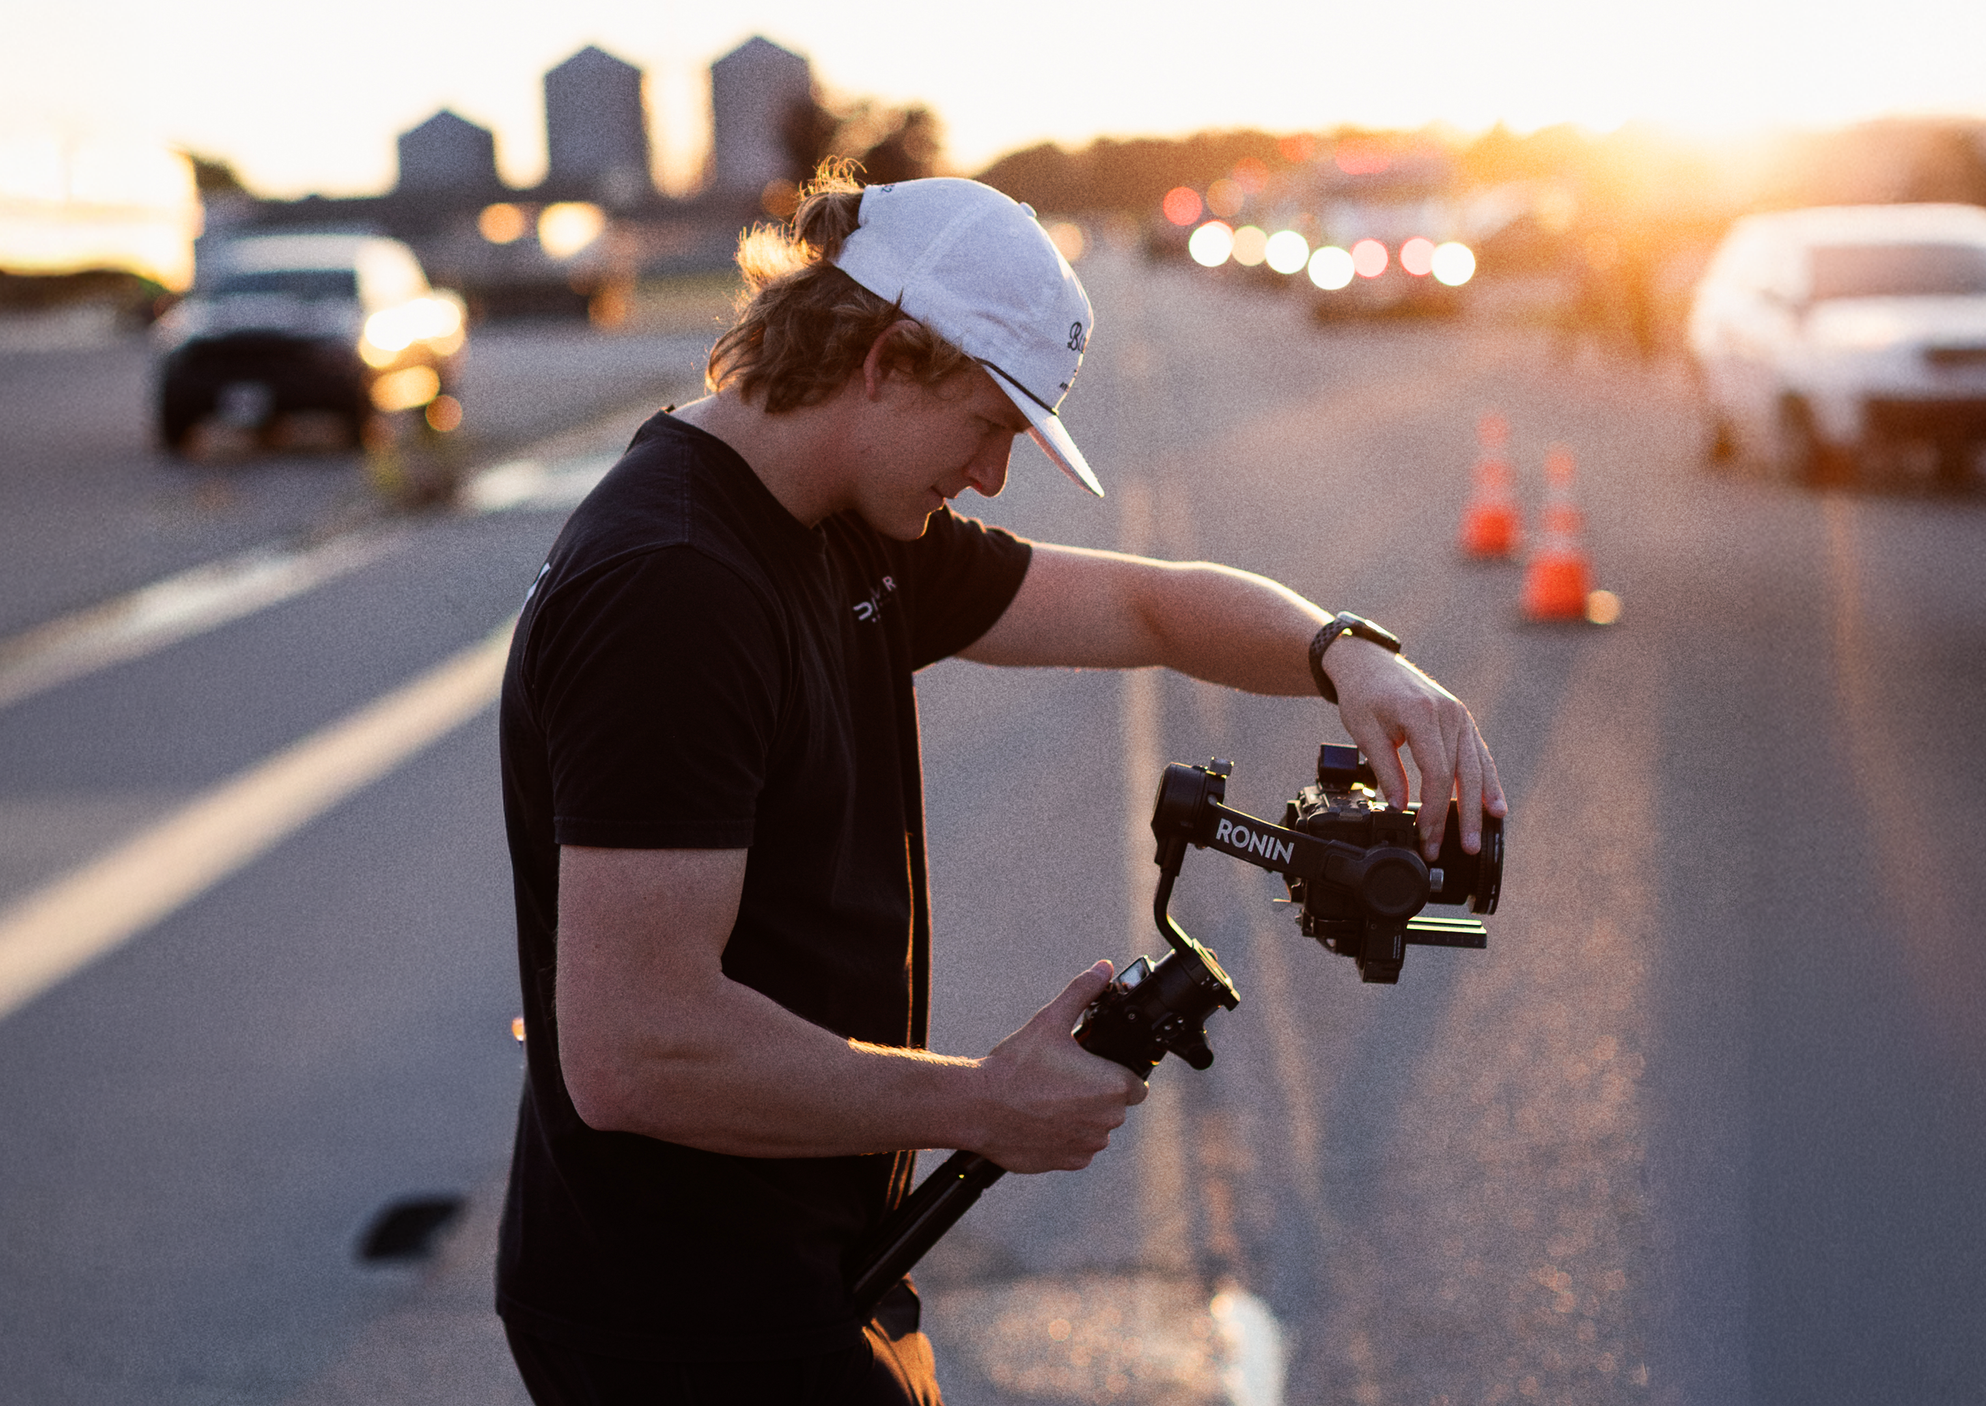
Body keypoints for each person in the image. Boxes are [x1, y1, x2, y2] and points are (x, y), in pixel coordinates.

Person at [495, 167, 1506, 1405]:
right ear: (885, 358)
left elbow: (1146, 601)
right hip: (681, 1316)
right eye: (987, 425)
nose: (989, 476)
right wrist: (984, 1104)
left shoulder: (835, 521)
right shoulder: (677, 587)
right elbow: (634, 1050)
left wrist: (1346, 653)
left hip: (807, 1261)